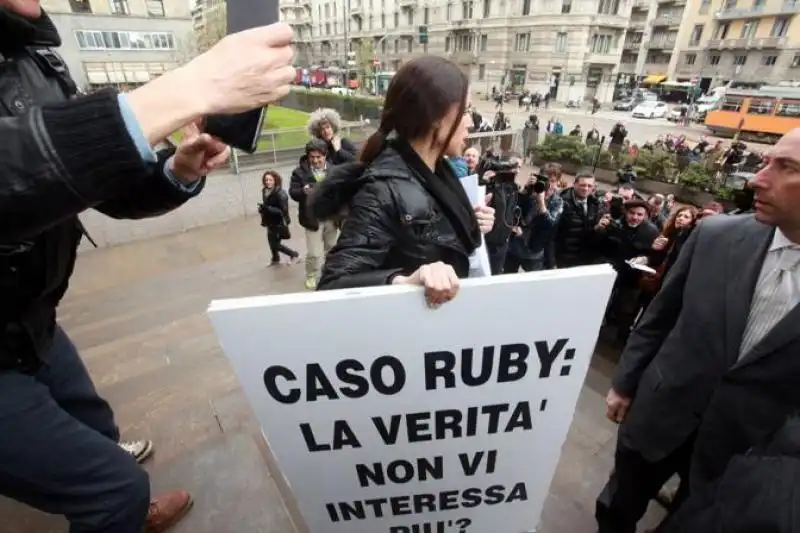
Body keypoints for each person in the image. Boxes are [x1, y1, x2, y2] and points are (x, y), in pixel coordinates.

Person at [0, 1, 295, 531]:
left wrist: (176, 170)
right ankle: (118, 507)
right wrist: (190, 87)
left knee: (96, 426)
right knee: (115, 487)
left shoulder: (29, 51)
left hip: (27, 317)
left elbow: (78, 181)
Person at [596, 128, 800, 533]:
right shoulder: (715, 235)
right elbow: (659, 316)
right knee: (616, 508)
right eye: (765, 162)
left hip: (743, 451)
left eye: (787, 167)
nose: (757, 179)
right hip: (660, 413)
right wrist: (624, 383)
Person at [309, 56, 495, 304]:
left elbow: (426, 232)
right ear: (436, 118)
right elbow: (333, 285)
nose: (470, 122)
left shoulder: (438, 170)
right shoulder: (382, 190)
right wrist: (405, 282)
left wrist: (469, 219)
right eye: (466, 110)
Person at [289, 139, 338, 290]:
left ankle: (329, 273)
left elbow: (342, 191)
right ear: (308, 156)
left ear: (325, 155)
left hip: (331, 218)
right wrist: (303, 191)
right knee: (314, 253)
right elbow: (293, 192)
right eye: (312, 157)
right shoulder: (299, 172)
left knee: (332, 248)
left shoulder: (334, 170)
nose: (315, 160)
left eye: (319, 157)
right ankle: (311, 274)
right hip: (312, 219)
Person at [259, 170, 298, 266]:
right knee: (271, 241)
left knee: (275, 244)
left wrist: (268, 209)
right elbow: (267, 205)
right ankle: (275, 259)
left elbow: (282, 211)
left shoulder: (281, 194)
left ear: (275, 181)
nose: (268, 182)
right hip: (269, 221)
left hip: (279, 222)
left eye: (270, 180)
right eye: (266, 180)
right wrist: (262, 209)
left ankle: (294, 255)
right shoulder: (265, 191)